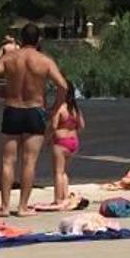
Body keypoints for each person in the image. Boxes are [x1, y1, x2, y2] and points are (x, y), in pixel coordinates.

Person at [0, 23, 68, 217]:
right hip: (34, 110)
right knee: (29, 161)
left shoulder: (10, 58)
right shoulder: (44, 61)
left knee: (7, 161)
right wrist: (55, 108)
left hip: (12, 109)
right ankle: (22, 207)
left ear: (21, 40)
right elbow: (62, 85)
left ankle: (5, 207)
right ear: (38, 40)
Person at [46, 80, 85, 210]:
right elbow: (82, 125)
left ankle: (58, 199)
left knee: (58, 172)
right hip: (73, 141)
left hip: (61, 143)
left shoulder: (60, 108)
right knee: (64, 172)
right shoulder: (75, 108)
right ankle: (65, 196)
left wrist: (47, 138)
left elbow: (53, 126)